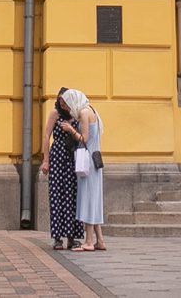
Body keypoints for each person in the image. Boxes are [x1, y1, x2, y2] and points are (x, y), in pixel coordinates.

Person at [62, 86, 106, 251]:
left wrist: (70, 129)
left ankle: (88, 242)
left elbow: (84, 138)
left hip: (87, 162)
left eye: (67, 104)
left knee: (88, 199)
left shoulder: (83, 113)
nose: (67, 108)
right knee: (93, 199)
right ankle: (100, 240)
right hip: (94, 160)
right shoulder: (91, 110)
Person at [43, 90, 82, 250]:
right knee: (57, 195)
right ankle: (57, 238)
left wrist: (71, 129)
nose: (62, 104)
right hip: (58, 156)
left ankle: (72, 238)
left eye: (65, 101)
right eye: (60, 101)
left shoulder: (77, 113)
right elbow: (46, 136)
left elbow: (82, 136)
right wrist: (46, 160)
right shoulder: (55, 113)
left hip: (73, 157)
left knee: (72, 195)